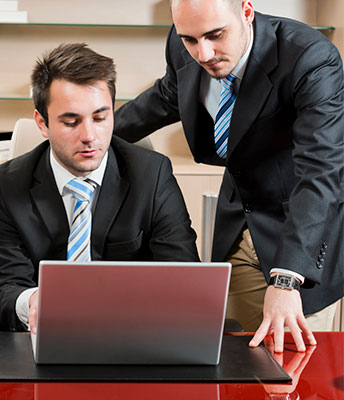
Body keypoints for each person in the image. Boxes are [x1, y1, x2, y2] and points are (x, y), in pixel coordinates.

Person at [114, 0, 344, 352]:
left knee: (296, 370)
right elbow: (165, 97)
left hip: (300, 235)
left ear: (247, 11)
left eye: (215, 35)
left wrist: (285, 281)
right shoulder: (183, 43)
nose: (203, 53)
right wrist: (93, 132)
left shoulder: (310, 57)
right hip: (238, 223)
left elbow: (321, 173)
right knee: (240, 361)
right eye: (190, 39)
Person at [0, 43, 199, 332]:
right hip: (47, 338)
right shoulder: (8, 184)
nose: (89, 136)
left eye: (100, 118)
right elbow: (2, 291)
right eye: (71, 122)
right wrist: (32, 300)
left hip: (135, 337)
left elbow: (184, 279)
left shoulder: (153, 175)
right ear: (42, 123)